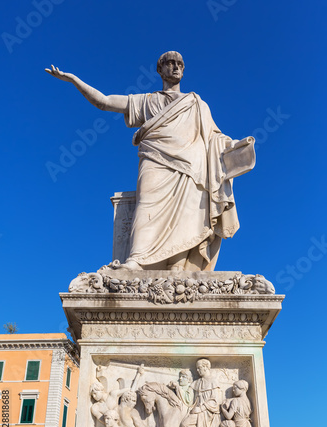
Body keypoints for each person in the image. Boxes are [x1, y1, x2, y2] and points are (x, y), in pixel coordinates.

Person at [46, 51, 254, 271]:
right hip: (155, 158)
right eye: (170, 63)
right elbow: (105, 102)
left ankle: (178, 265)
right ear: (160, 69)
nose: (175, 67)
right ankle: (136, 260)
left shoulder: (197, 104)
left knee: (188, 214)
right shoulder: (146, 101)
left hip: (192, 166)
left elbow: (214, 137)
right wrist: (74, 80)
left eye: (180, 64)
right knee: (147, 205)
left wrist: (232, 146)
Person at [180, 359, 221, 427]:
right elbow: (189, 399)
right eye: (197, 368)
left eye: (199, 368)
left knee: (185, 424)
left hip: (208, 412)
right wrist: (179, 388)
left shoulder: (213, 381)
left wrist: (201, 409)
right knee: (184, 424)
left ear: (206, 367)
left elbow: (215, 402)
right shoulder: (197, 382)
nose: (197, 371)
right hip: (197, 410)